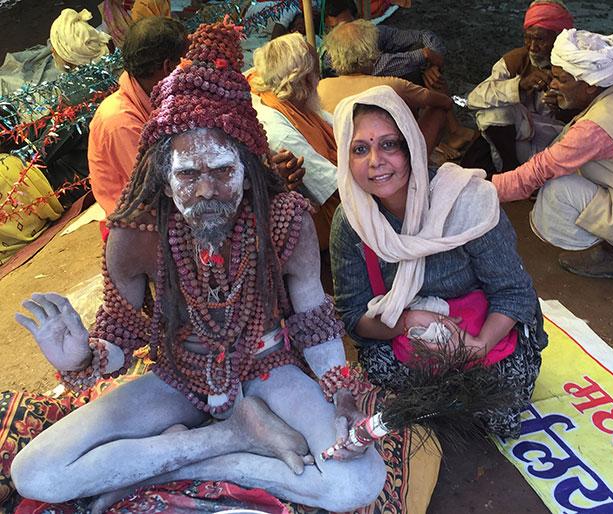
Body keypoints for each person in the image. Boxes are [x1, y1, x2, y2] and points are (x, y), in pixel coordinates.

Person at [11, 20, 385, 512]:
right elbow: (122, 337)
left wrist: (338, 384)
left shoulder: (283, 219)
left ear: (248, 170)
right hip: (179, 376)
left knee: (358, 483)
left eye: (222, 171)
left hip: (267, 369)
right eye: (188, 174)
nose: (206, 190)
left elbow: (313, 319)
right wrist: (82, 358)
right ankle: (231, 438)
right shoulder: (135, 234)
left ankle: (182, 463)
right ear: (164, 181)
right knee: (34, 472)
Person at [329, 85, 546, 437]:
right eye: (359, 149)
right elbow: (354, 318)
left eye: (389, 144)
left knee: (497, 410)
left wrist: (476, 347)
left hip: (484, 335)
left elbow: (514, 294)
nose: (375, 162)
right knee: (382, 374)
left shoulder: (466, 201)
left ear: (411, 146)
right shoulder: (351, 222)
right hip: (408, 341)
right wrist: (409, 321)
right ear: (345, 159)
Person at [492, 29, 613, 300]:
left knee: (557, 187)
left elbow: (540, 170)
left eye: (562, 79)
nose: (552, 84)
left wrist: (485, 190)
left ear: (589, 85)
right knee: (576, 166)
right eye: (553, 76)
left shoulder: (595, 129)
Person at [319, 19, 476, 158]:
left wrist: (427, 64)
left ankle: (446, 137)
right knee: (438, 102)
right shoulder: (390, 85)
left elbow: (423, 37)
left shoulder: (321, 87)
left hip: (352, 159)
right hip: (394, 161)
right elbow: (445, 102)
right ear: (373, 53)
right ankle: (425, 156)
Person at [88, 16, 188, 217]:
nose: (185, 67)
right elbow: (154, 191)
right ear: (168, 67)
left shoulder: (151, 88)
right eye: (181, 62)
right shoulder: (119, 122)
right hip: (138, 218)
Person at [250, 33, 338, 250]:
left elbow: (336, 123)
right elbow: (335, 186)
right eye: (316, 73)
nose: (319, 80)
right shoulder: (280, 132)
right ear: (303, 79)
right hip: (323, 228)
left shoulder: (289, 100)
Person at [466, 0, 574, 171]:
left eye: (539, 39)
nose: (532, 47)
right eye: (528, 37)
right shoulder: (516, 60)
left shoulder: (576, 66)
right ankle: (510, 170)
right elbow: (474, 99)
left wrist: (563, 108)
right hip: (518, 141)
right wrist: (519, 86)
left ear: (559, 38)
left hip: (556, 144)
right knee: (492, 114)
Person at [321, 0, 446, 87]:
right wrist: (424, 56)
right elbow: (376, 66)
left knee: (429, 73)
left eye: (347, 26)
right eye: (335, 28)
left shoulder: (375, 32)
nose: (342, 33)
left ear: (358, 19)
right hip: (357, 105)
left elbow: (423, 35)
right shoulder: (329, 56)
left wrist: (431, 66)